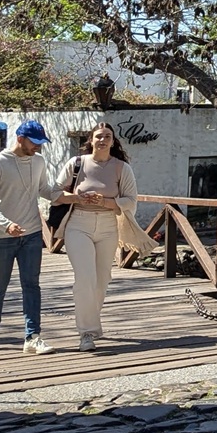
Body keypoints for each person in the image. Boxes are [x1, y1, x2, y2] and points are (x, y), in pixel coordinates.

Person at [55, 123, 138, 352]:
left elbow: (131, 200)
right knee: (85, 279)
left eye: (107, 136)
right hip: (78, 224)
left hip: (108, 225)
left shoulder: (122, 168)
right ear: (91, 140)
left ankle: (91, 322)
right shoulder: (76, 163)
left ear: (113, 141)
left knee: (102, 280)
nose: (103, 140)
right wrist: (77, 198)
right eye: (99, 136)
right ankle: (87, 333)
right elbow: (54, 193)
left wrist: (106, 202)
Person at [0, 120, 58, 354]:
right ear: (20, 139)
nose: (38, 147)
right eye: (34, 142)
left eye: (41, 143)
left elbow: (44, 189)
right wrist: (6, 224)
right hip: (1, 235)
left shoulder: (39, 161)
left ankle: (33, 336)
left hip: (31, 233)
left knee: (32, 285)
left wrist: (70, 196)